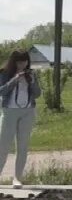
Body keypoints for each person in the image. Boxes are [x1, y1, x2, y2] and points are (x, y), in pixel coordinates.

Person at [0, 50, 41, 188]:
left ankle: (17, 178)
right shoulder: (5, 73)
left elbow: (37, 94)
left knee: (23, 146)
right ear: (13, 62)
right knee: (3, 146)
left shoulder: (31, 74)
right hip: (9, 112)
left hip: (28, 112)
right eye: (19, 61)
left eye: (24, 61)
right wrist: (15, 79)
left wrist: (33, 81)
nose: (22, 64)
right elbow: (2, 91)